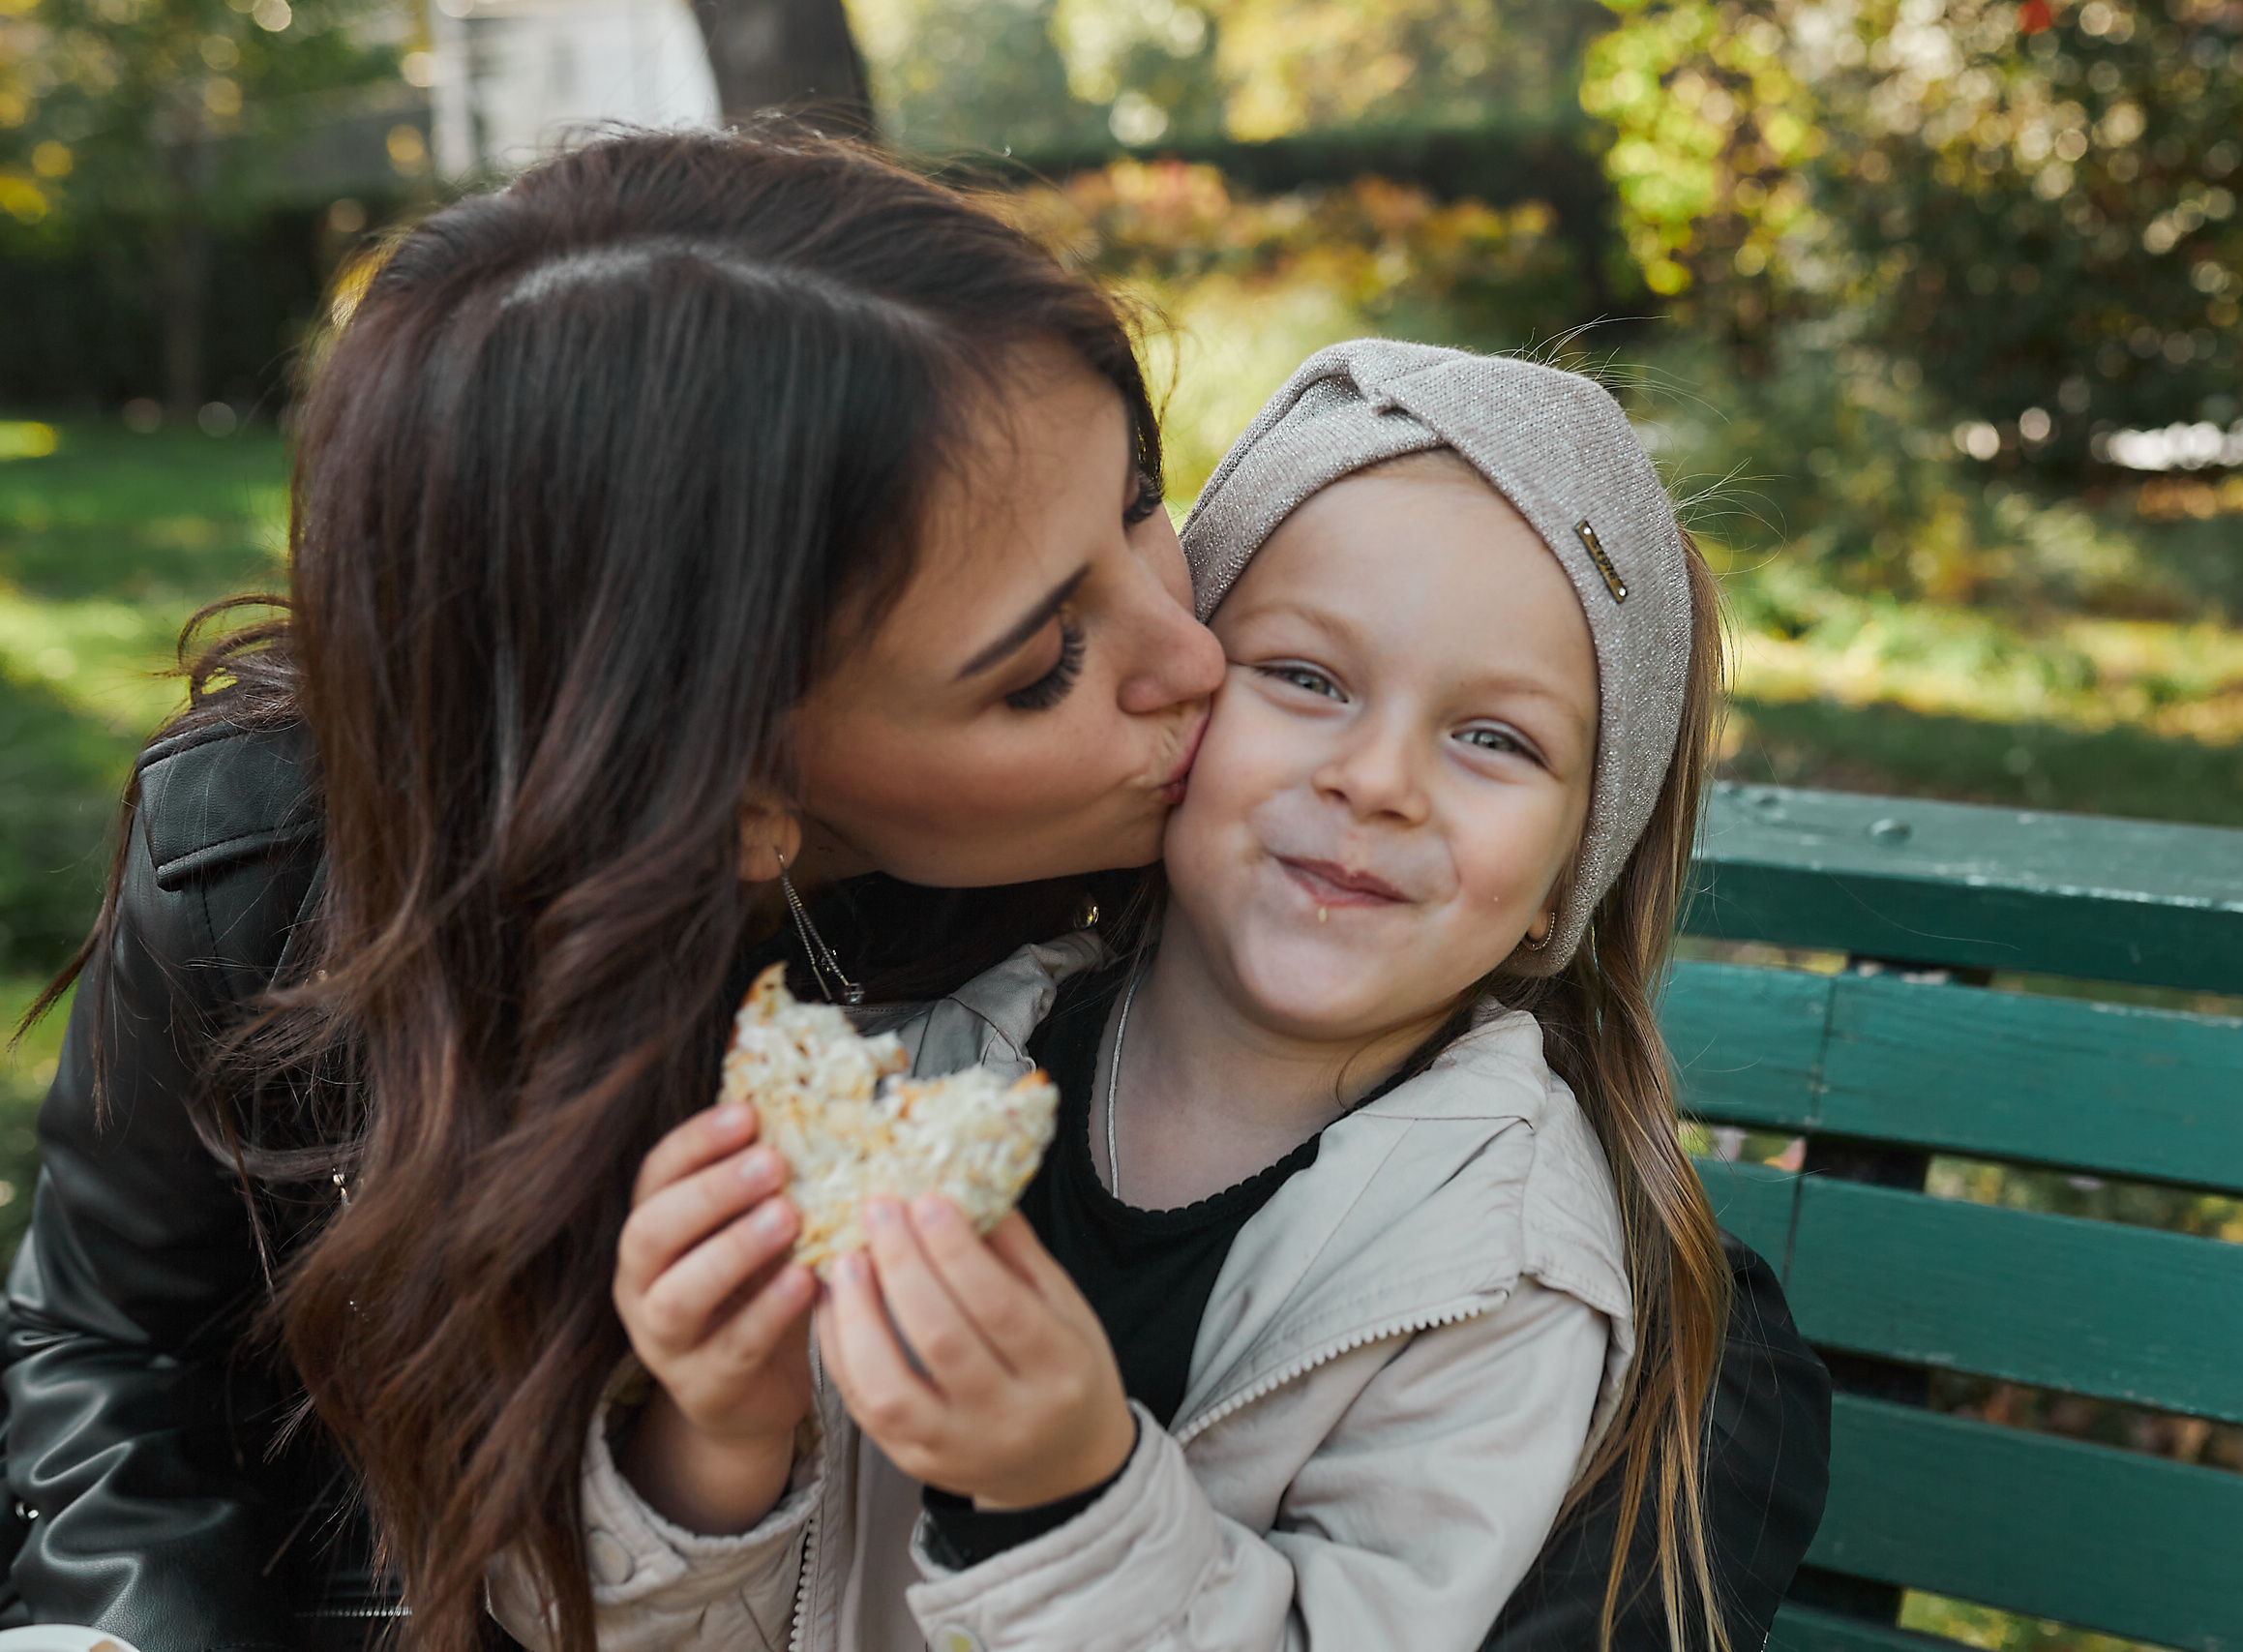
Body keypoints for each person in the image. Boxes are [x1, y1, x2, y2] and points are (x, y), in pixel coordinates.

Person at [0, 135, 1824, 1652]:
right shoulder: (272, 866)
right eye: (1039, 666)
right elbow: (106, 1352)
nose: (1192, 658)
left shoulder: (1339, 1113)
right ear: (741, 793)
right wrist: (706, 1440)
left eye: (1140, 504)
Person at [526, 339, 1818, 1652]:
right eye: (1307, 679)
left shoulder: (1501, 1281)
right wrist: (716, 1442)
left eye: (1495, 739)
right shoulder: (916, 1069)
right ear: (1182, 713)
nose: (1378, 780)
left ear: (1566, 879)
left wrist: (1065, 1496)